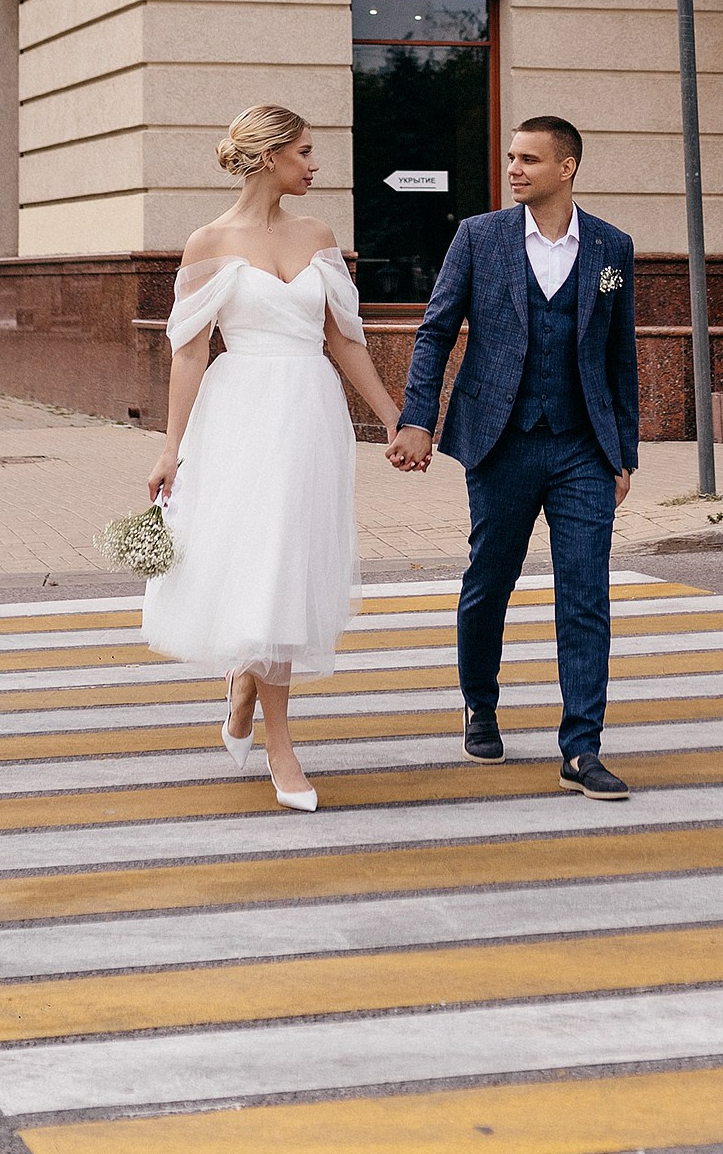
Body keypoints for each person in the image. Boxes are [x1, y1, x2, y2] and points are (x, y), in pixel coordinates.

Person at [145, 103, 401, 812]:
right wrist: (172, 449)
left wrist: (392, 419)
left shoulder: (318, 234)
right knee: (260, 564)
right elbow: (190, 352)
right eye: (305, 153)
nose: (314, 166)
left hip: (310, 414)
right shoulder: (208, 241)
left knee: (286, 562)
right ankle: (281, 748)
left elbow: (345, 339)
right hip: (238, 417)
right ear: (268, 157)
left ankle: (243, 690)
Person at [391, 116, 639, 799]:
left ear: (568, 168)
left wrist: (625, 453)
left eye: (530, 159)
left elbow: (622, 358)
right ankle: (480, 701)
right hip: (499, 442)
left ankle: (581, 749)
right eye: (511, 158)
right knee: (489, 582)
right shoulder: (480, 236)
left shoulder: (613, 247)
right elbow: (435, 332)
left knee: (585, 592)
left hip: (584, 447)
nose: (515, 169)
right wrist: (418, 419)